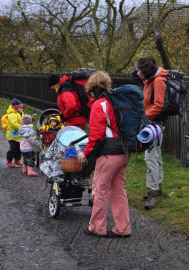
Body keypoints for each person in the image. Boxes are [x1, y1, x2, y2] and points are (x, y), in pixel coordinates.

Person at [77, 71, 131, 238]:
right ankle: (123, 228)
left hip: (109, 154)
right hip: (124, 152)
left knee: (99, 190)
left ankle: (97, 227)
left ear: (91, 86)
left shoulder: (99, 104)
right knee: (118, 190)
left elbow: (96, 135)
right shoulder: (115, 101)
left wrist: (85, 153)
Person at [135, 56, 168, 210]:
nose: (136, 73)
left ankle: (153, 191)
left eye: (139, 70)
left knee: (150, 157)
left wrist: (144, 118)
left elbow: (159, 105)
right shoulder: (150, 80)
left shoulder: (158, 81)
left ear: (146, 70)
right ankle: (158, 187)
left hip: (154, 125)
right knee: (156, 156)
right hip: (153, 123)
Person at [5, 98, 24, 168]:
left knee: (19, 148)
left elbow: (23, 121)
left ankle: (17, 160)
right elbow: (14, 124)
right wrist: (21, 127)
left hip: (18, 135)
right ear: (16, 108)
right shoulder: (12, 114)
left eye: (22, 108)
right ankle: (9, 161)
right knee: (12, 148)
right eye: (20, 108)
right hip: (12, 135)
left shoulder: (20, 113)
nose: (22, 109)